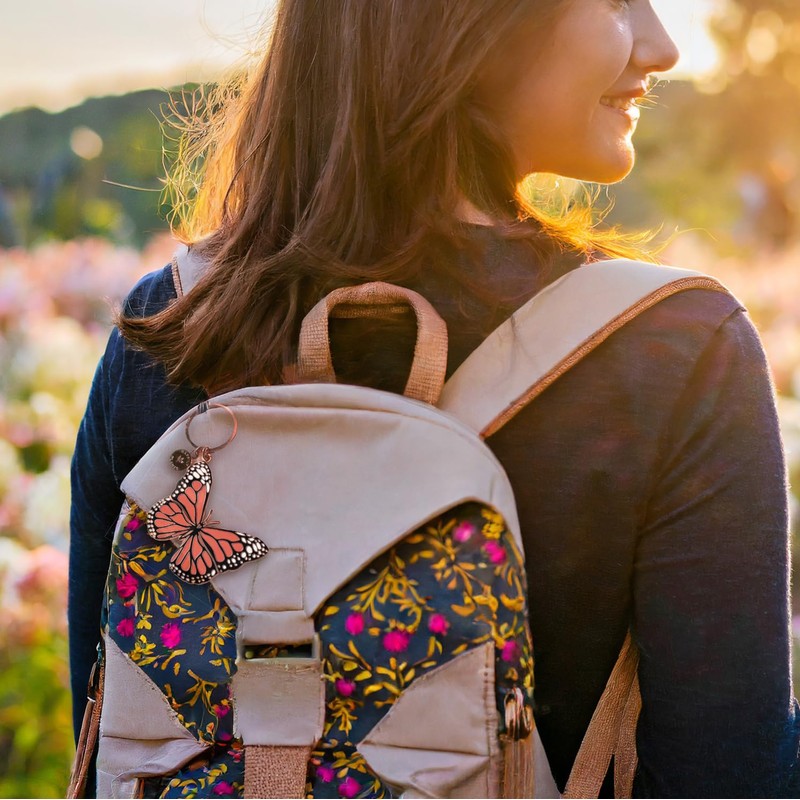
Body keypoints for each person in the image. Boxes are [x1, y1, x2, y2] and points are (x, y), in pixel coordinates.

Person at [69, 0, 800, 796]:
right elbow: (730, 773)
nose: (661, 48)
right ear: (465, 22)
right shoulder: (672, 348)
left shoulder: (167, 328)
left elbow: (112, 741)